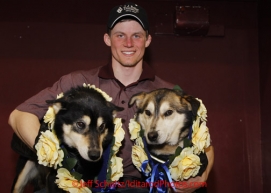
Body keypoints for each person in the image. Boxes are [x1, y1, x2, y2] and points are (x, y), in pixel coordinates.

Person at [8, 2, 214, 193]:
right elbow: (19, 115)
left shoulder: (168, 93)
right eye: (120, 35)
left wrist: (200, 177)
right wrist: (52, 153)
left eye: (137, 36)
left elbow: (205, 146)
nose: (128, 43)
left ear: (148, 40)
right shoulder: (76, 83)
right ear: (107, 39)